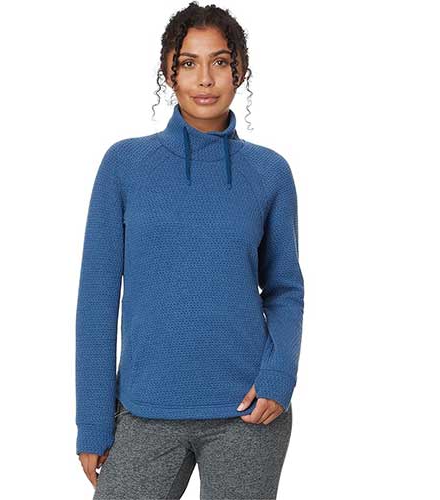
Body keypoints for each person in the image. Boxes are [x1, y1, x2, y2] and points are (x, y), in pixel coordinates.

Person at [75, 2, 305, 499]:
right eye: (188, 63)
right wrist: (92, 422)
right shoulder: (125, 165)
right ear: (168, 71)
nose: (205, 79)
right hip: (145, 410)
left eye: (220, 62)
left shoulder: (269, 173)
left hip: (247, 412)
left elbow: (285, 289)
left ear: (240, 71)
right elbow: (96, 301)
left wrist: (278, 377)